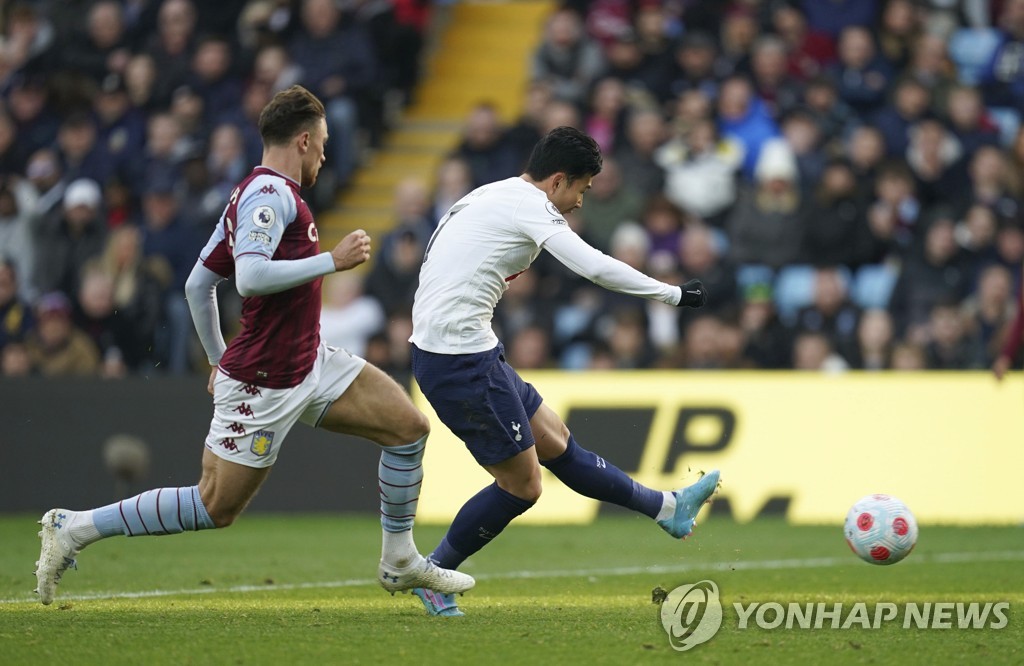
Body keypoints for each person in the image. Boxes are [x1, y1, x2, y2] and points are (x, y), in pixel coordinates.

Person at [34, 85, 474, 606]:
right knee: (215, 505)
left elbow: (198, 284)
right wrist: (331, 262)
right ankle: (74, 526)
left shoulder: (249, 193)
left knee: (407, 428)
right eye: (325, 142)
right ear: (305, 140)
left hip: (308, 361)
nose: (327, 154)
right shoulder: (271, 196)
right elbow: (250, 277)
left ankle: (399, 561)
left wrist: (220, 359)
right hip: (265, 379)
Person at [408, 127, 720, 616]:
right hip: (457, 360)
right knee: (523, 486)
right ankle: (433, 572)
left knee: (555, 438)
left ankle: (667, 508)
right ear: (557, 181)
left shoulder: (492, 193)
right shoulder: (528, 205)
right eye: (581, 189)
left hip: (469, 349)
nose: (579, 202)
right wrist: (672, 293)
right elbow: (591, 267)